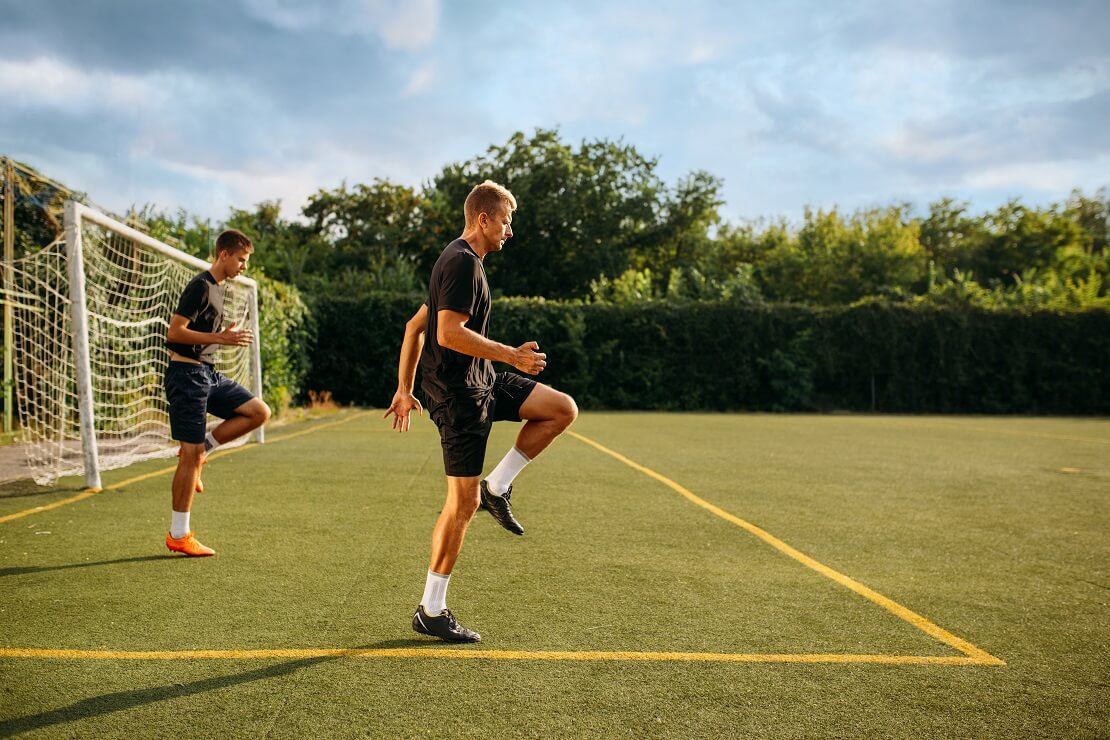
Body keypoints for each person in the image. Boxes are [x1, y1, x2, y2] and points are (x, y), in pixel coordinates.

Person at [385, 180, 578, 642]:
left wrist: (403, 388)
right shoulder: (461, 263)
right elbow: (448, 334)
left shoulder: (459, 261)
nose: (510, 232)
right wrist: (512, 355)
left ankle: (499, 484)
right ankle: (431, 609)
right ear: (484, 219)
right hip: (459, 398)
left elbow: (416, 328)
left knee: (560, 409)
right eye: (507, 222)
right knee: (461, 504)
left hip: (483, 381)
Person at [163, 229, 271, 557]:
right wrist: (222, 339)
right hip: (186, 376)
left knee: (258, 412)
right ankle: (178, 535)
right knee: (190, 456)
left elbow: (206, 335)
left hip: (208, 374)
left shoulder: (220, 289)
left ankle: (203, 451)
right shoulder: (199, 285)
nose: (244, 266)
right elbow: (175, 331)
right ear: (223, 254)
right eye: (241, 259)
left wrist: (222, 336)